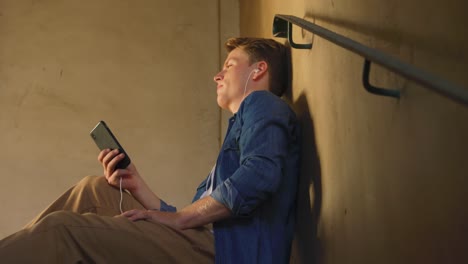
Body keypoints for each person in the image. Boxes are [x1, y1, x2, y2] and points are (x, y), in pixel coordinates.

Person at [0, 37, 300, 264]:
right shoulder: (242, 126)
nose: (217, 75)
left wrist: (180, 218)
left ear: (259, 70)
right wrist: (138, 186)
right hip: (208, 242)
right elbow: (191, 220)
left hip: (229, 254)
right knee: (92, 189)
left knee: (60, 230)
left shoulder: (262, 103)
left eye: (230, 65)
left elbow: (260, 175)